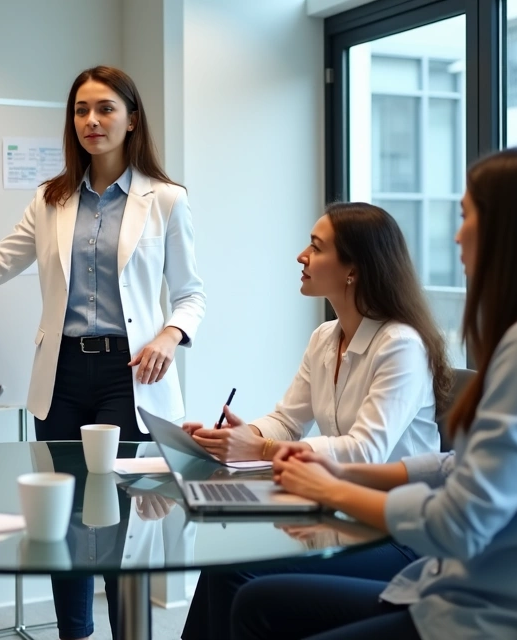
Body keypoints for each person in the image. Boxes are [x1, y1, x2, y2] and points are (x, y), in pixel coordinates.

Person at [232, 146, 517, 640]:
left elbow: (459, 523)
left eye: (466, 215)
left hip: (485, 612)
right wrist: (340, 470)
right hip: (470, 586)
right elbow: (458, 465)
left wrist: (331, 488)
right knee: (254, 599)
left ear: (511, 231)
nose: (456, 234)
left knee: (255, 598)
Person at [0, 65, 206, 640]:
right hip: (63, 375)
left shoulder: (167, 201)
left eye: (104, 109)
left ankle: (129, 631)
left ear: (132, 118)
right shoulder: (51, 200)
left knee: (126, 520)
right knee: (65, 519)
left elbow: (191, 294)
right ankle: (74, 632)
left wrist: (169, 336)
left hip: (131, 376)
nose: (91, 121)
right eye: (80, 110)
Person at [179, 202, 449, 639]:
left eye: (316, 247)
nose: (301, 256)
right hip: (338, 511)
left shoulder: (400, 345)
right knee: (223, 568)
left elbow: (366, 450)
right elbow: (288, 419)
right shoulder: (325, 336)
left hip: (397, 534)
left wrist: (264, 450)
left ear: (353, 270)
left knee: (237, 575)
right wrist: (245, 435)